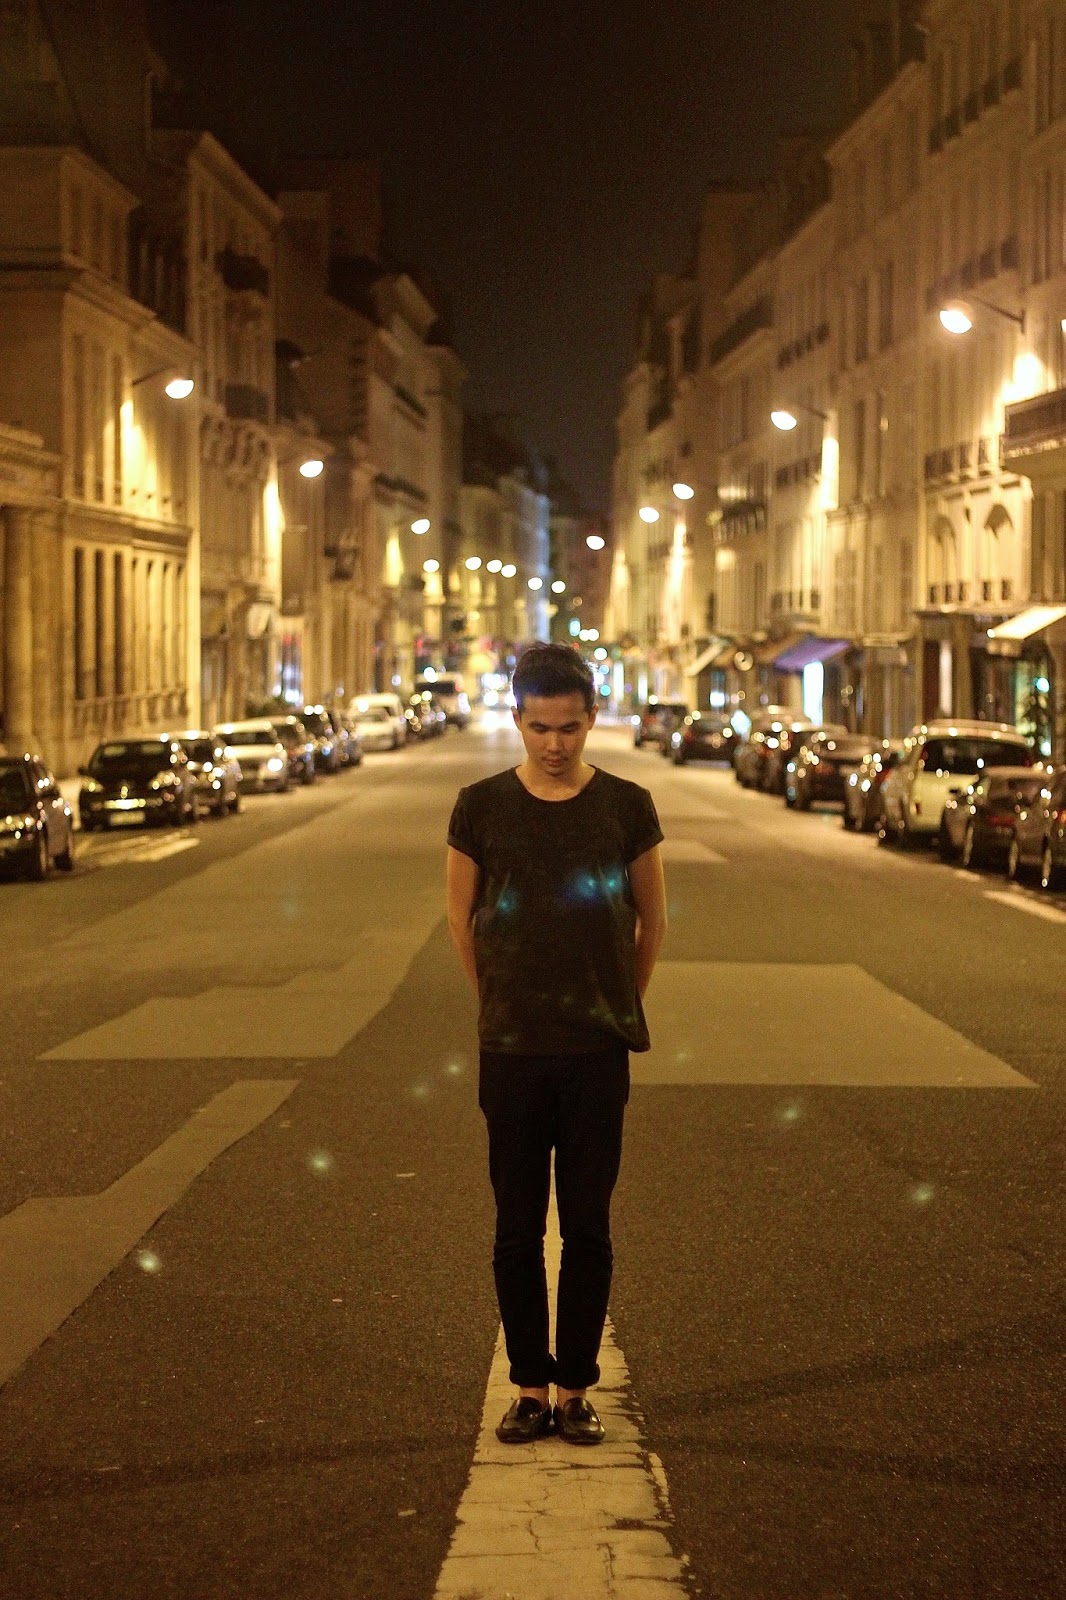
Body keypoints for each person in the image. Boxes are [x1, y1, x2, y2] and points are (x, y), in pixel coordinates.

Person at [446, 643, 667, 1445]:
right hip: (511, 1050)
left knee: (587, 1227)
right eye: (539, 728)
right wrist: (499, 1003)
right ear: (517, 720)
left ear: (591, 718)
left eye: (568, 728)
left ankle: (574, 1388)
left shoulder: (627, 806)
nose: (553, 744)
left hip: (595, 1052)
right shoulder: (479, 806)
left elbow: (652, 922)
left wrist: (615, 1003)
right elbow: (461, 920)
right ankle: (529, 1388)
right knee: (515, 1228)